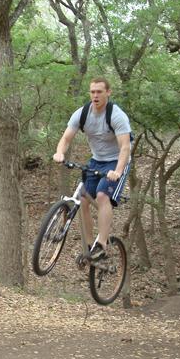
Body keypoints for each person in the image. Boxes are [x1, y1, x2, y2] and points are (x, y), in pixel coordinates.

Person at [52, 77, 132, 260]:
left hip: (117, 161)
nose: (95, 95)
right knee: (83, 199)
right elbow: (66, 139)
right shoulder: (82, 114)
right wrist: (59, 153)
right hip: (97, 160)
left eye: (99, 92)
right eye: (92, 92)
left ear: (108, 93)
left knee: (103, 196)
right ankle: (90, 247)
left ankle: (102, 244)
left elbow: (125, 148)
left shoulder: (116, 115)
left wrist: (118, 171)